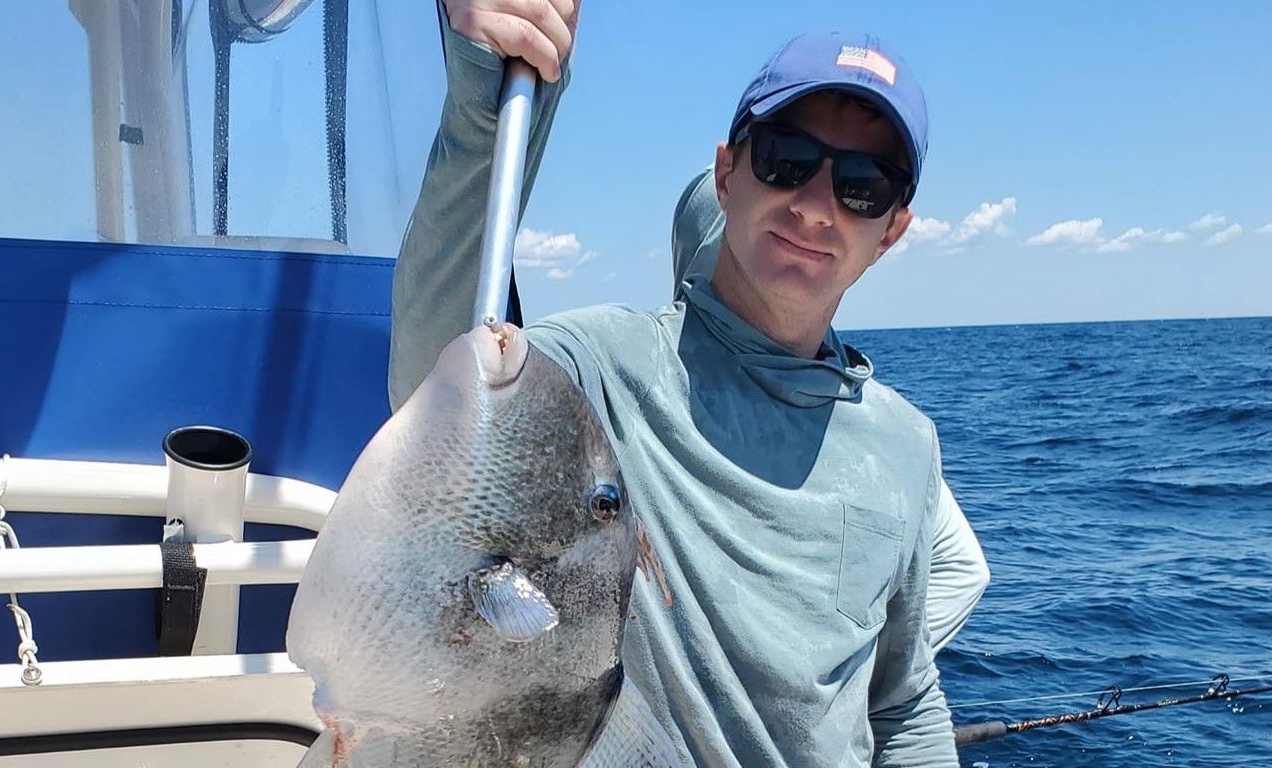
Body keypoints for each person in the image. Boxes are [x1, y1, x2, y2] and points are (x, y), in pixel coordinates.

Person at [390, 2, 989, 765]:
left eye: (862, 186)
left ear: (892, 229)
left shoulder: (906, 445)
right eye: (787, 159)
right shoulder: (600, 368)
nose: (815, 207)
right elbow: (442, 385)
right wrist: (485, 89)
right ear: (728, 173)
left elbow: (900, 701)